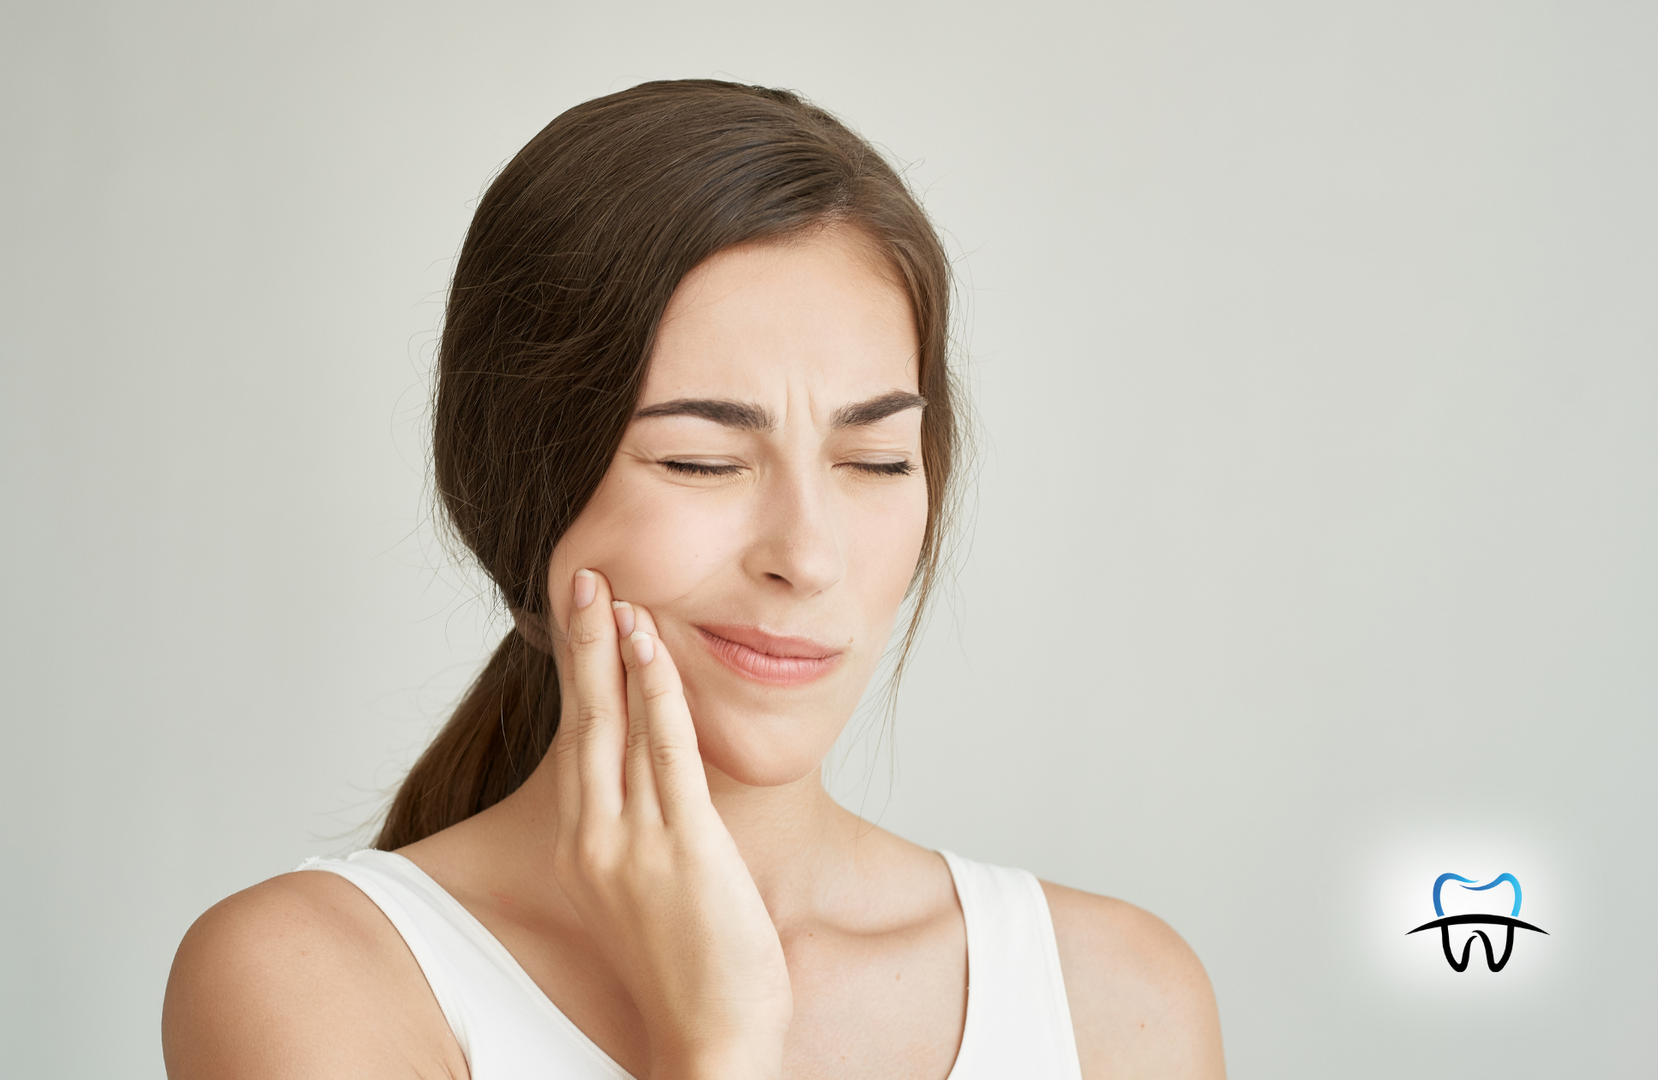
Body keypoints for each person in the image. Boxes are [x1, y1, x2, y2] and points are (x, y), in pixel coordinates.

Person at [162, 79, 1225, 1080]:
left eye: (876, 463)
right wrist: (713, 1039)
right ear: (517, 489)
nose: (807, 557)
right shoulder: (314, 976)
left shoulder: (1116, 1003)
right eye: (703, 464)